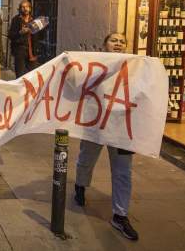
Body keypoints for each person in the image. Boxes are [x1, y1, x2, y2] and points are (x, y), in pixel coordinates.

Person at [74, 32, 139, 241]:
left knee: (123, 172)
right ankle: (80, 185)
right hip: (96, 125)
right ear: (104, 45)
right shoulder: (95, 65)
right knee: (86, 159)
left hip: (122, 129)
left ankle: (120, 215)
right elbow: (77, 83)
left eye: (122, 41)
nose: (118, 44)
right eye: (114, 40)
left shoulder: (135, 66)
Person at [8, 0, 41, 78]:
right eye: (23, 7)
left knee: (32, 76)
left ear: (30, 8)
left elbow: (39, 36)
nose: (25, 9)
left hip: (32, 51)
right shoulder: (16, 20)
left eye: (27, 7)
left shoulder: (34, 20)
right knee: (20, 76)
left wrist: (37, 30)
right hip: (20, 51)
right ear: (20, 9)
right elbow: (10, 35)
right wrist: (20, 32)